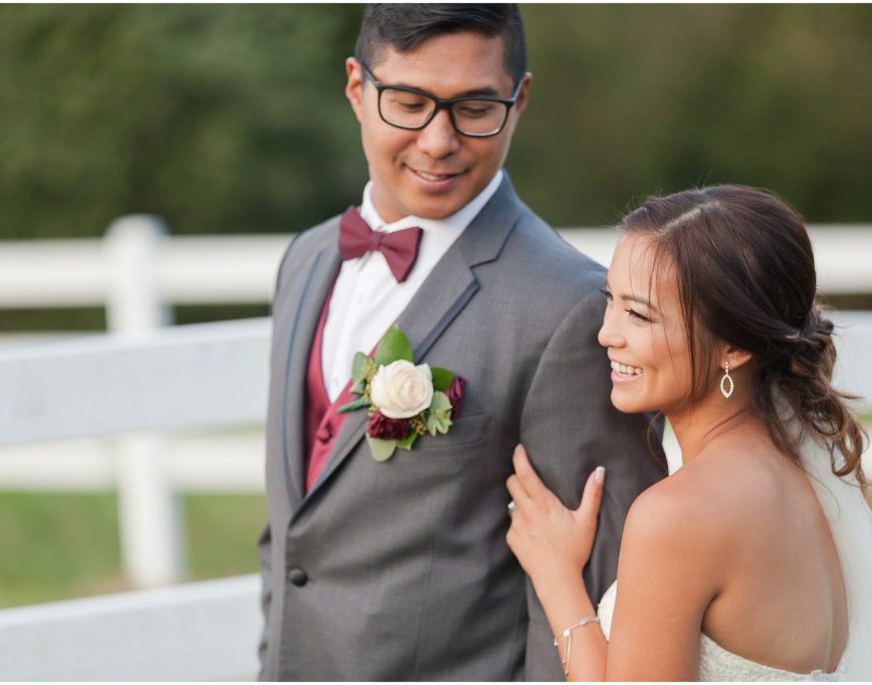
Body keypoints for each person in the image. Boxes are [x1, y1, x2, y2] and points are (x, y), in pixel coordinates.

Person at [257, 5, 664, 680]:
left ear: (520, 99)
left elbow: (594, 587)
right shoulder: (304, 261)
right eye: (410, 102)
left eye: (475, 107)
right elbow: (291, 534)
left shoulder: (569, 307)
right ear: (358, 88)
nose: (440, 140)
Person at [505, 185, 872, 681]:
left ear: (735, 347)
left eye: (638, 314)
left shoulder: (679, 515)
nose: (606, 333)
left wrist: (557, 577)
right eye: (610, 301)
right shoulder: (803, 474)